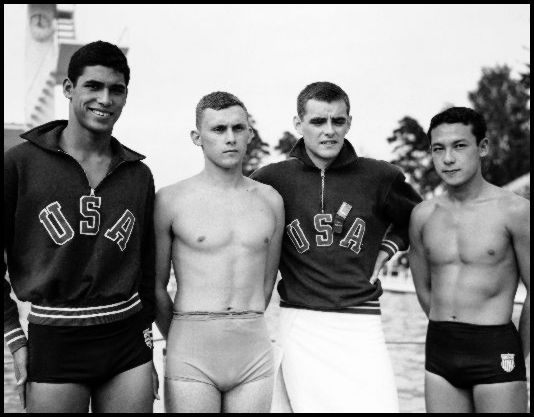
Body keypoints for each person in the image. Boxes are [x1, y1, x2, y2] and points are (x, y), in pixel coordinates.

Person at [3, 41, 158, 413]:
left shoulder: (137, 174)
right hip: (56, 339)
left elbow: (147, 267)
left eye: (116, 90)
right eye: (94, 86)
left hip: (126, 343)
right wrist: (13, 335)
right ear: (69, 88)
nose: (105, 99)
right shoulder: (19, 164)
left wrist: (147, 342)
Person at [251, 81, 421, 413]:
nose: (329, 131)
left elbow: (421, 218)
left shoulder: (379, 176)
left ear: (349, 122)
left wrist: (388, 248)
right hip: (301, 320)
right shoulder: (271, 179)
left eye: (338, 121)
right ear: (298, 124)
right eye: (318, 122)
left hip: (361, 322)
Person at [154, 91, 284, 413]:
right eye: (218, 129)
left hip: (252, 347)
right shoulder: (171, 200)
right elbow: (154, 286)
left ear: (250, 134)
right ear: (197, 137)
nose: (230, 138)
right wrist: (186, 337)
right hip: (191, 349)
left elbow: (268, 283)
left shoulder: (271, 201)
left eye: (238, 128)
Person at [409, 107, 530, 413]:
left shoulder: (514, 211)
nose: (448, 158)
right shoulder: (423, 215)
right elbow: (424, 287)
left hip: (495, 348)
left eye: (459, 146)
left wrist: (519, 353)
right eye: (439, 149)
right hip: (440, 349)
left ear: (483, 147)